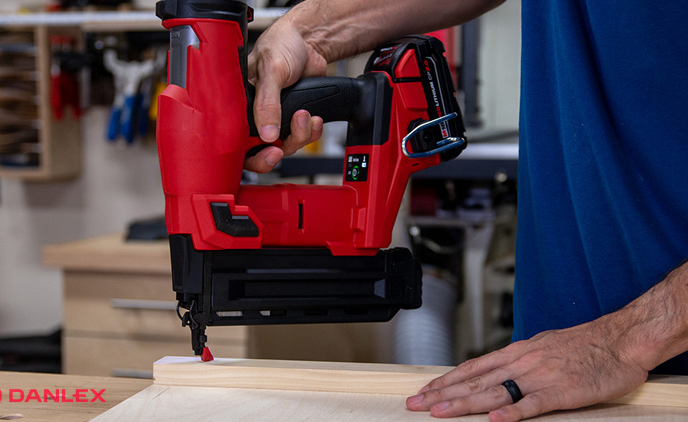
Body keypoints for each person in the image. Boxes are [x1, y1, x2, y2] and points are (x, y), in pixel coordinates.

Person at [242, 0, 688, 420]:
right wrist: (310, 32)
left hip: (658, 376)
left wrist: (624, 340)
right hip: (551, 368)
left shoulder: (621, 345)